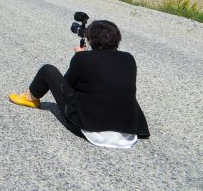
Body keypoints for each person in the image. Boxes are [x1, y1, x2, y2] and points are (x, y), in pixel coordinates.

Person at [9, 20, 150, 148]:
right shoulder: (129, 59)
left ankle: (31, 98)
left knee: (48, 70)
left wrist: (79, 57)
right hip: (128, 131)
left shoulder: (83, 58)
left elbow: (67, 86)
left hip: (93, 130)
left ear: (90, 40)